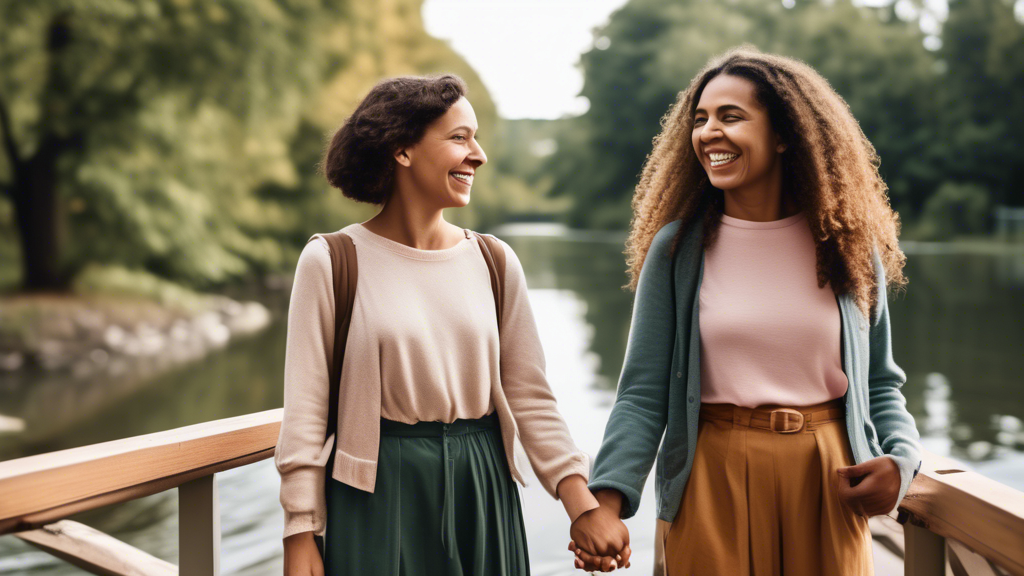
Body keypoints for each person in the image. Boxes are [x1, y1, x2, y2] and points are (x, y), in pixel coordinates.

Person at [569, 47, 923, 575]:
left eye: (731, 117)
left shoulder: (848, 246)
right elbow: (642, 395)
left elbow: (879, 384)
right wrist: (607, 503)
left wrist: (902, 461)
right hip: (713, 474)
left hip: (827, 476)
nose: (709, 132)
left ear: (784, 135)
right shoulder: (677, 250)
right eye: (701, 119)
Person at [275, 74, 601, 576]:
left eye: (475, 137)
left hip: (484, 484)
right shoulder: (331, 260)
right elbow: (306, 411)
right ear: (402, 150)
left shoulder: (494, 260)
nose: (479, 154)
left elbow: (529, 395)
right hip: (374, 494)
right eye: (459, 137)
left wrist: (583, 506)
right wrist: (300, 532)